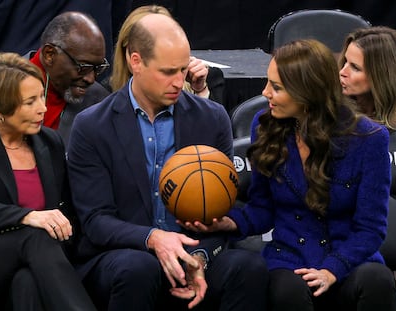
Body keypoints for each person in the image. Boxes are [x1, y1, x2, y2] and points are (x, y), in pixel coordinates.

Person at [67, 12, 268, 311]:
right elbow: (96, 220)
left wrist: (199, 258)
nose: (179, 81)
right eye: (167, 71)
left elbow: (219, 212)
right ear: (136, 61)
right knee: (138, 269)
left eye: (183, 69)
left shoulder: (212, 118)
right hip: (123, 254)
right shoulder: (92, 125)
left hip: (193, 250)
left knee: (247, 268)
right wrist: (154, 239)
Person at [185, 39, 396, 310]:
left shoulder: (369, 139)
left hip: (348, 259)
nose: (265, 93)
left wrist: (332, 269)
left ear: (307, 93)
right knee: (288, 291)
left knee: (376, 280)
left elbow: (371, 229)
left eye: (276, 87)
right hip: (290, 259)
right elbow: (262, 209)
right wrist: (229, 223)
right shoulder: (265, 127)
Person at [0, 52, 96, 310]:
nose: (43, 108)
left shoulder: (50, 142)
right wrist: (25, 216)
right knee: (35, 236)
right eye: (30, 102)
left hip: (38, 263)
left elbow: (65, 210)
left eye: (41, 96)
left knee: (26, 284)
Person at [110, 4, 225, 103]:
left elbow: (215, 125)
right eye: (166, 72)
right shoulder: (107, 93)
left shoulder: (208, 79)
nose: (178, 84)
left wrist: (200, 91)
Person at [29, 11, 110, 146]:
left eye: (97, 68)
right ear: (50, 54)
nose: (90, 79)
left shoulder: (100, 104)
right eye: (83, 67)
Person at [338, 26, 396, 131]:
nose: (342, 72)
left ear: (382, 77)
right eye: (345, 61)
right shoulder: (331, 115)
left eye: (355, 68)